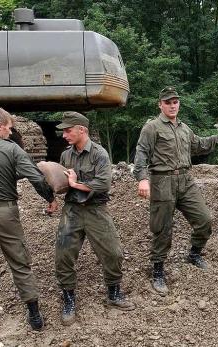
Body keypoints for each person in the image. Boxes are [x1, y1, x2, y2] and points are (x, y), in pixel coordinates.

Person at [0, 107, 58, 333]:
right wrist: (50, 197)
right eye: (8, 127)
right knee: (20, 264)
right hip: (6, 214)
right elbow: (35, 177)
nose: (10, 131)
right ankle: (35, 316)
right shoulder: (13, 150)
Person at [134, 86, 218, 296]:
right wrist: (142, 179)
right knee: (162, 229)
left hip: (186, 181)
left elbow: (200, 145)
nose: (172, 105)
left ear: (179, 103)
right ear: (160, 104)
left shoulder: (184, 129)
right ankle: (158, 270)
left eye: (175, 101)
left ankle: (194, 253)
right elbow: (141, 154)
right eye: (167, 102)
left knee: (204, 219)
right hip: (162, 182)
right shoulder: (152, 127)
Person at [55, 111, 134, 325]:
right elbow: (62, 183)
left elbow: (103, 184)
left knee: (113, 252)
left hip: (96, 210)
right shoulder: (66, 155)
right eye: (64, 131)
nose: (64, 135)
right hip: (71, 210)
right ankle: (68, 299)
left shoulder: (100, 154)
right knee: (63, 256)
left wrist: (75, 184)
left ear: (82, 130)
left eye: (68, 130)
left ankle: (114, 293)